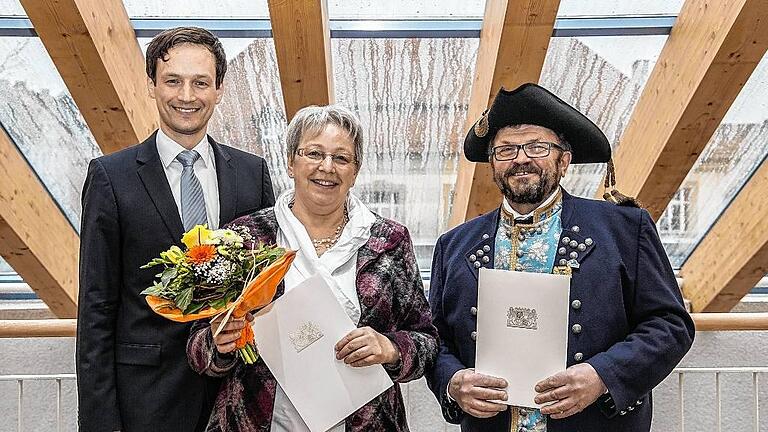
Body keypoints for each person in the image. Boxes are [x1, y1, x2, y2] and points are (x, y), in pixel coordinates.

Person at [427, 83, 695, 432]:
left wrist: (601, 376)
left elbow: (670, 325)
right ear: (493, 163)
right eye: (505, 150)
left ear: (564, 160)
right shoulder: (454, 245)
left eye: (537, 147)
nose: (521, 158)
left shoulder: (625, 229)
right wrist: (452, 381)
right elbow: (432, 338)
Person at [187, 104, 438, 432]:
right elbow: (196, 346)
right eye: (314, 153)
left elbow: (427, 340)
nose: (327, 167)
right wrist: (218, 344)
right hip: (259, 420)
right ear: (291, 162)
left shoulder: (389, 240)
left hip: (367, 422)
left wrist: (390, 348)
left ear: (355, 170)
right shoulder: (244, 238)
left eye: (341, 158)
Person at [76, 27, 275, 432]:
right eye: (173, 81)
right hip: (145, 400)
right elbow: (96, 311)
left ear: (219, 89)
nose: (187, 96)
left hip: (235, 394)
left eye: (200, 82)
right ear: (152, 86)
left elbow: (267, 283)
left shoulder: (252, 174)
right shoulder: (110, 178)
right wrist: (99, 421)